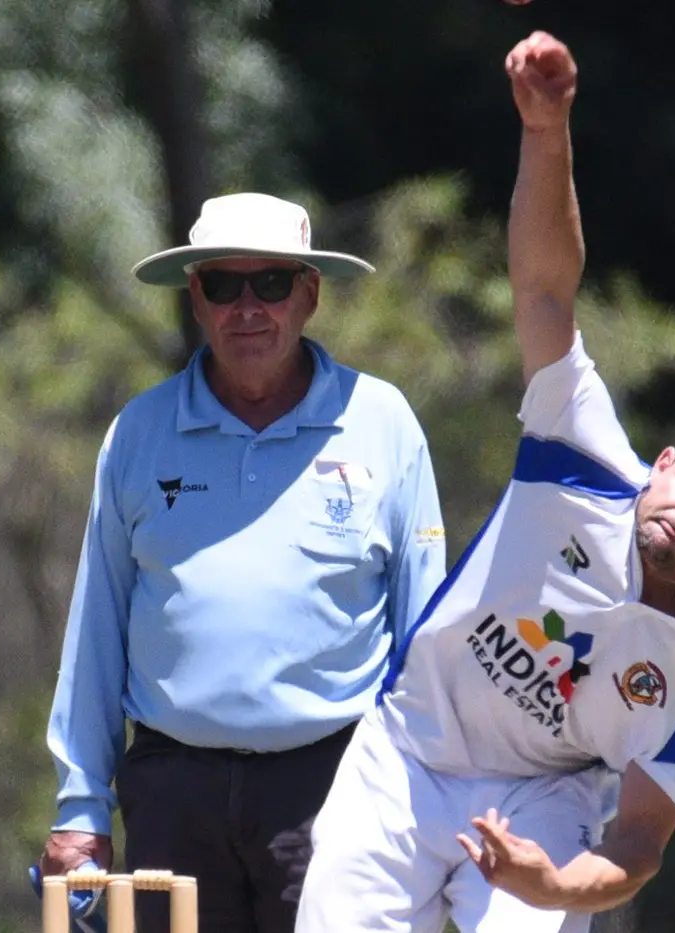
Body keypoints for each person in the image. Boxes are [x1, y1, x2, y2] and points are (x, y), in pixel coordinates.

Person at [295, 30, 675, 933]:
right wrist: (546, 128)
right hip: (408, 752)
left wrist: (553, 886)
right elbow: (542, 291)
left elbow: (638, 842)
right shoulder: (583, 453)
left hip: (543, 799)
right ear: (661, 464)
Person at [38, 191, 449, 933]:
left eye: (272, 282)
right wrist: (81, 806)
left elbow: (426, 636)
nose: (248, 307)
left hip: (336, 785)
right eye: (225, 284)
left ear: (310, 293)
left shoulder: (384, 422)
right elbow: (97, 629)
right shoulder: (139, 431)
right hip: (173, 792)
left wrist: (435, 793)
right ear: (197, 297)